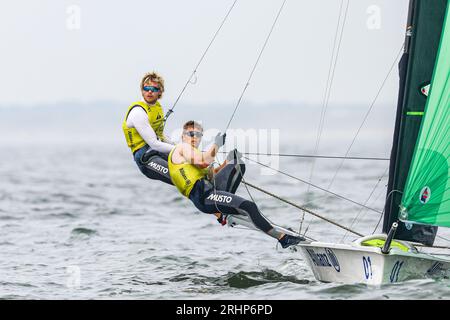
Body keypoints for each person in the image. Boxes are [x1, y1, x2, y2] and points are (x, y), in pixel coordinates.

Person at [168, 120, 305, 249]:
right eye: (190, 134)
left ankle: (277, 230)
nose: (194, 138)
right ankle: (283, 239)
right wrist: (217, 144)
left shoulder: (195, 155)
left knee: (238, 164)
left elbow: (213, 175)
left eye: (198, 135)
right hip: (203, 196)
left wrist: (228, 161)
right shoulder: (182, 148)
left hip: (210, 192)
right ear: (182, 136)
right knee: (249, 207)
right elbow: (204, 161)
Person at [122, 72, 174, 185]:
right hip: (144, 157)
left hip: (156, 151)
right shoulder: (138, 112)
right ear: (142, 90)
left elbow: (161, 136)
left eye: (154, 88)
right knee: (181, 175)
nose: (150, 91)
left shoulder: (157, 108)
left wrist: (177, 146)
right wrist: (179, 150)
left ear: (160, 91)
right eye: (146, 88)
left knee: (189, 163)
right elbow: (154, 143)